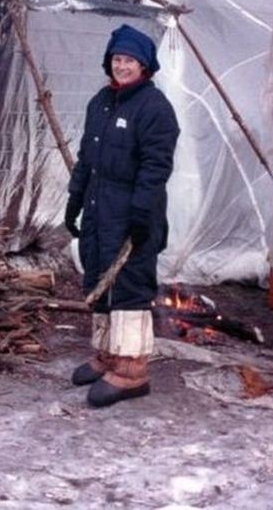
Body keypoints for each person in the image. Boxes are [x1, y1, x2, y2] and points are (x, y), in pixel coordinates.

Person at [64, 23, 180, 408]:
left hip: (133, 213)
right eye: (116, 59)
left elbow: (156, 168)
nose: (122, 66)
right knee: (99, 276)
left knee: (128, 285)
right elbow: (87, 158)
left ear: (144, 65)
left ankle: (132, 372)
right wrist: (74, 200)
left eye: (129, 60)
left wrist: (141, 216)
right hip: (100, 210)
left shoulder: (154, 108)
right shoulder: (101, 102)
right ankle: (108, 355)